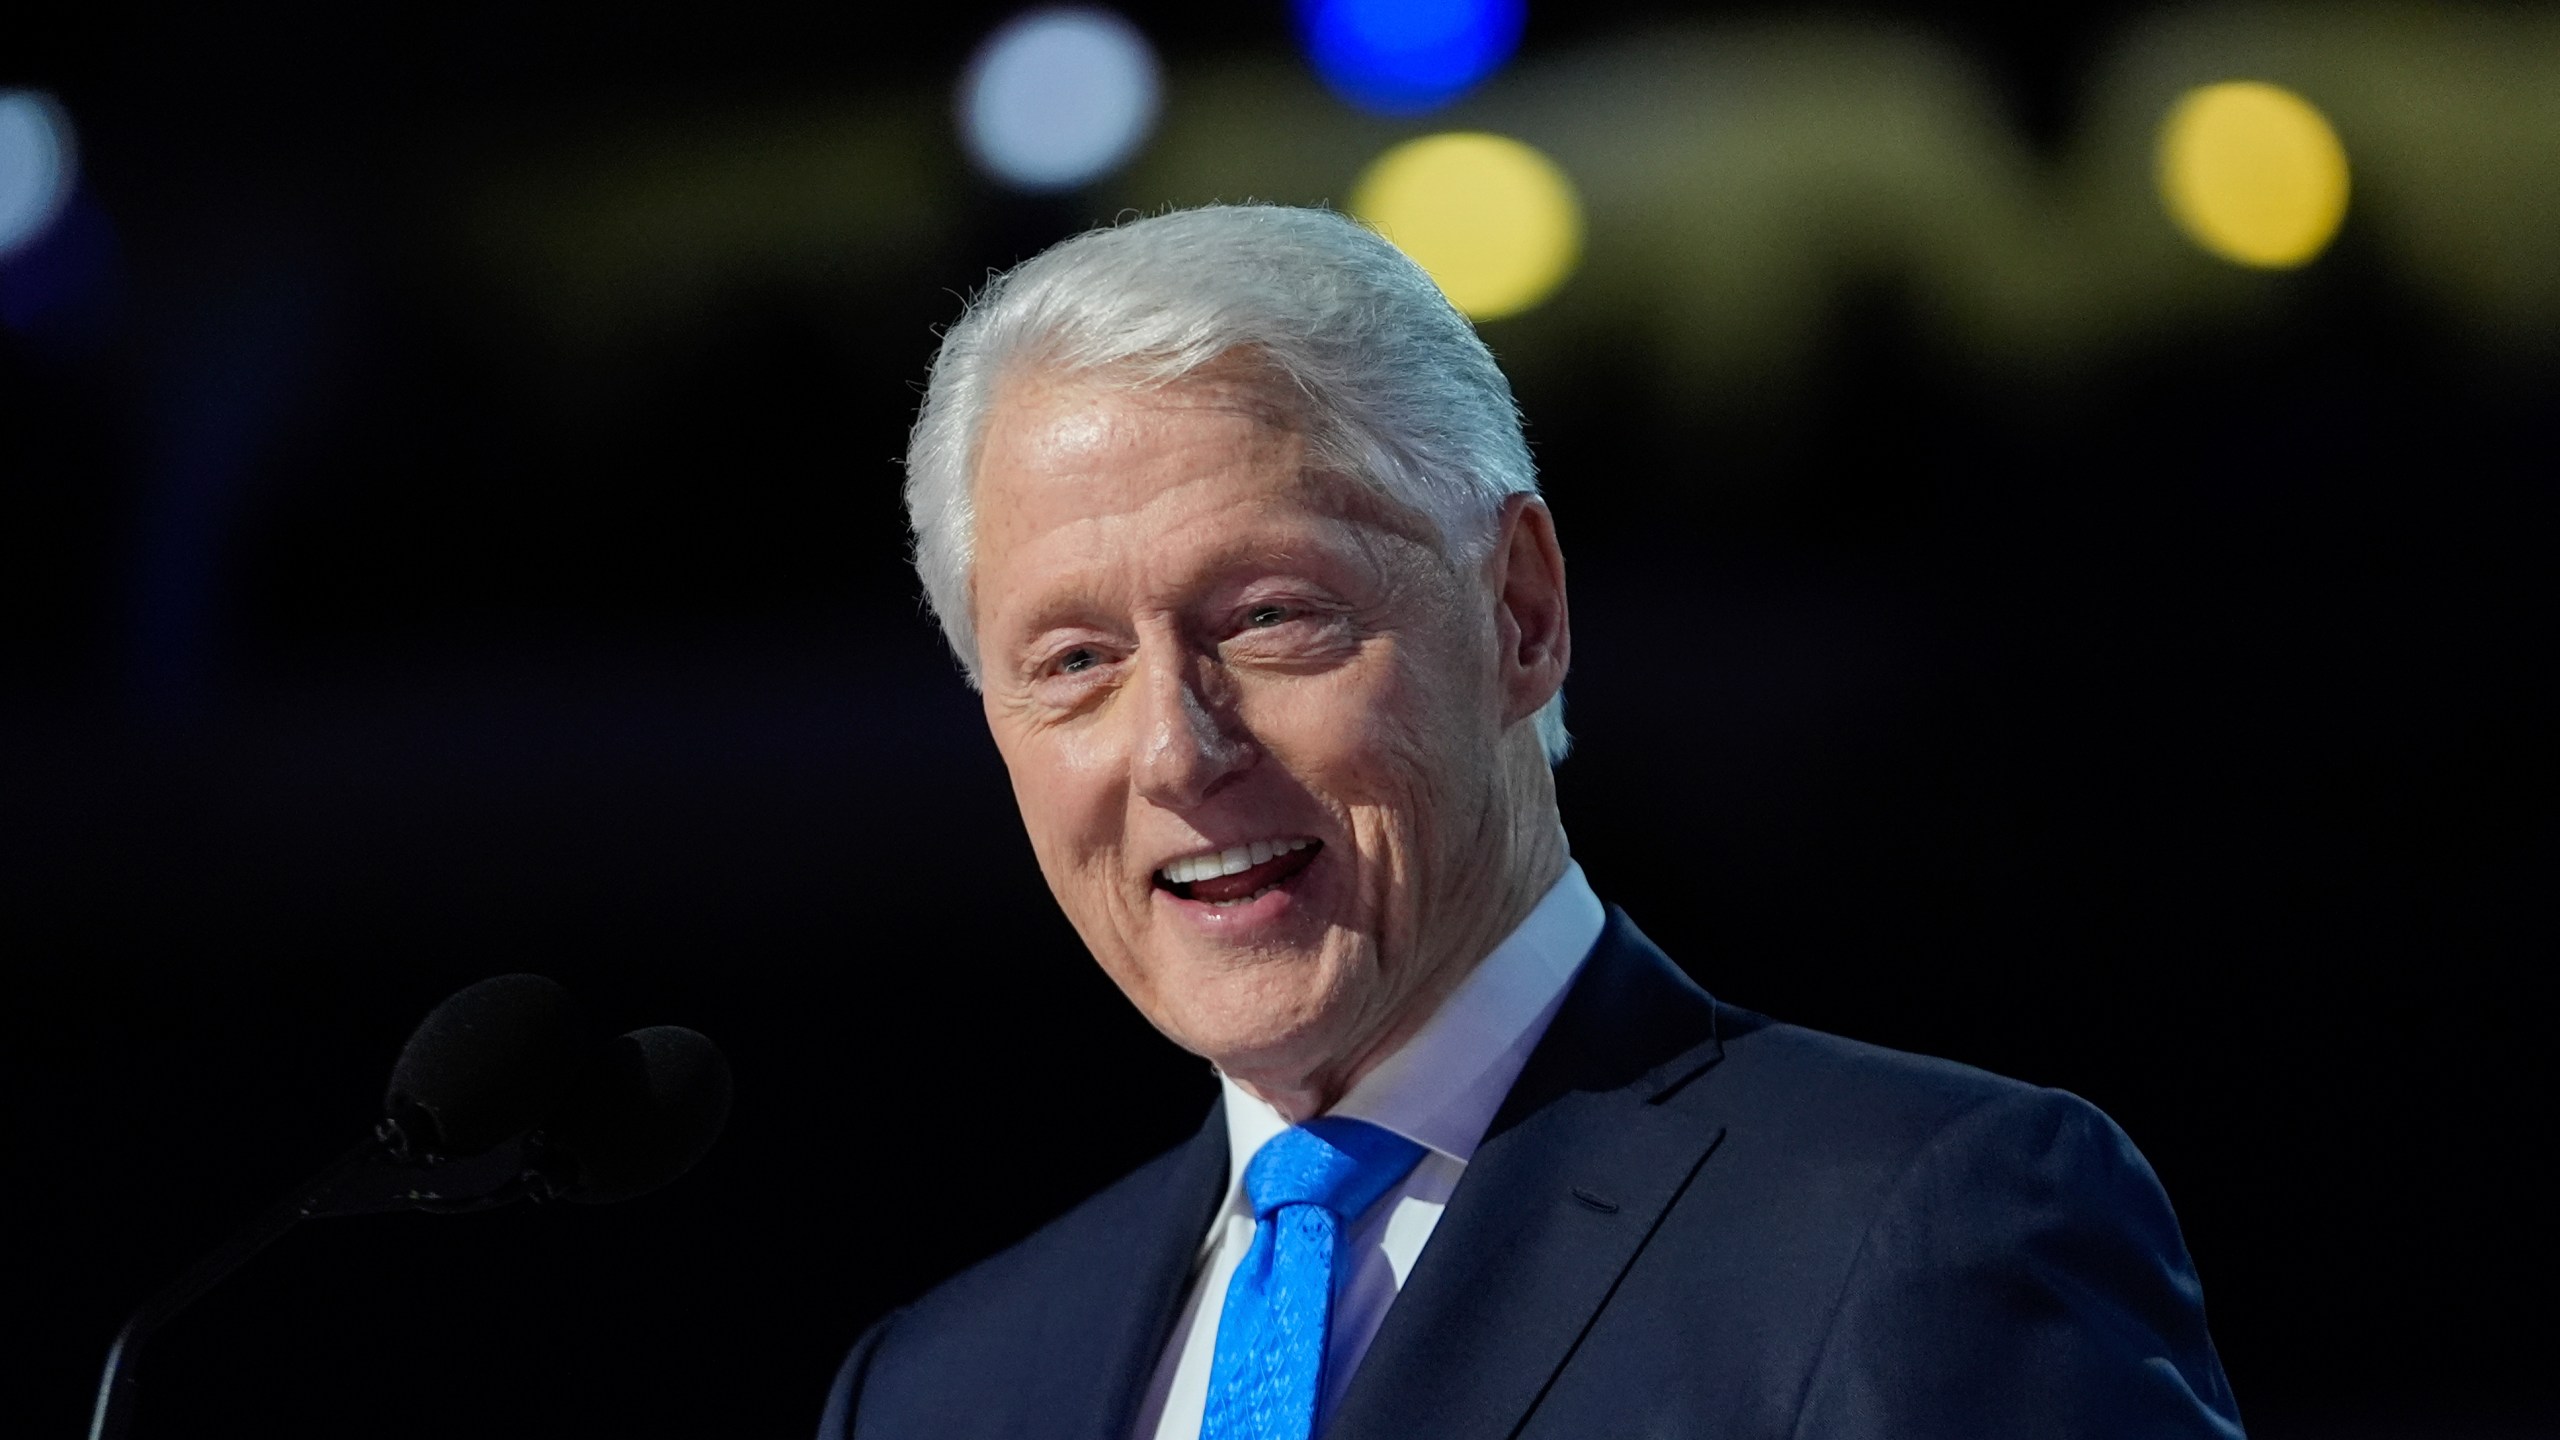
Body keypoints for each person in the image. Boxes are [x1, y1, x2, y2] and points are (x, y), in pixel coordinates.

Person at [819, 204, 2242, 1440]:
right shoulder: (934, 1390)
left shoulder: (1920, 1232)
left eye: (1269, 617)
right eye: (1072, 662)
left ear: (1520, 611)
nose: (1176, 751)